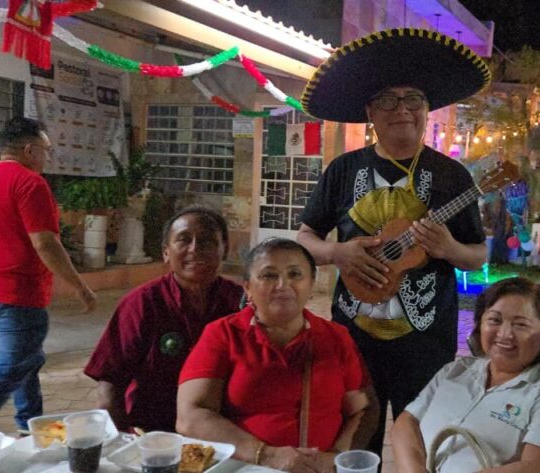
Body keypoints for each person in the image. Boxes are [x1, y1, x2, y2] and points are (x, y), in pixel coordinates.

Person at [296, 28, 489, 458]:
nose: (402, 109)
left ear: (427, 110)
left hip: (426, 340)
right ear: (370, 112)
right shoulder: (342, 170)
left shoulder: (452, 176)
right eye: (387, 100)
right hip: (353, 336)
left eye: (413, 99)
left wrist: (448, 249)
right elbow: (305, 238)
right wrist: (337, 252)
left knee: (417, 443)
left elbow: (477, 255)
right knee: (354, 438)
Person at [0, 118, 96, 434]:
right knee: (10, 368)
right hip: (18, 292)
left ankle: (28, 423)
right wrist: (80, 287)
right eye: (46, 150)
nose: (47, 157)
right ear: (29, 149)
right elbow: (45, 243)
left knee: (28, 358)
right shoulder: (30, 184)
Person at [176, 238, 376, 471]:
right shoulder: (223, 335)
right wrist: (266, 455)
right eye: (269, 275)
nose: (283, 285)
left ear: (311, 284)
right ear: (247, 287)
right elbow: (191, 416)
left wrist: (335, 459)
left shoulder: (336, 338)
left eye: (295, 274)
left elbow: (364, 409)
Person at [391, 278, 540, 472]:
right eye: (494, 320)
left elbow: (538, 468)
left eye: (520, 324)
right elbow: (407, 422)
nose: (504, 334)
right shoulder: (455, 371)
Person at [84, 208, 243, 433]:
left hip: (225, 431)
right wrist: (122, 441)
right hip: (153, 432)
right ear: (166, 252)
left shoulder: (241, 303)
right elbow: (109, 383)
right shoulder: (141, 303)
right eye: (183, 240)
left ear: (224, 250)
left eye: (207, 241)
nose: (195, 249)